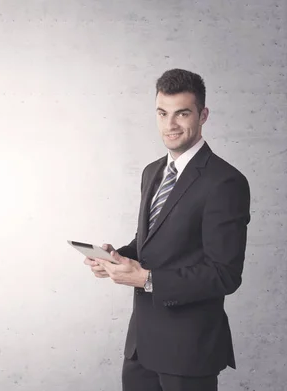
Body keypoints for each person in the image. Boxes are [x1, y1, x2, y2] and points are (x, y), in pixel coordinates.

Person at [85, 68, 251, 391]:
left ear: (203, 115)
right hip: (140, 349)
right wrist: (116, 257)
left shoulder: (226, 182)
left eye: (182, 113)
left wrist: (146, 279)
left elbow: (224, 274)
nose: (170, 125)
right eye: (162, 113)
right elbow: (150, 243)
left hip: (189, 353)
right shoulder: (152, 172)